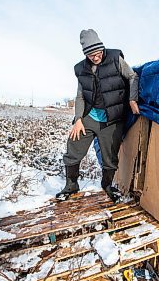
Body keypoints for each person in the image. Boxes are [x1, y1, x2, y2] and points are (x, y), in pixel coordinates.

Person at [56, 29, 140, 201]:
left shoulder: (116, 58)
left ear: (102, 48)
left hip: (112, 118)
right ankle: (71, 186)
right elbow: (80, 95)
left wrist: (132, 99)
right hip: (90, 116)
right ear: (85, 54)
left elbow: (132, 76)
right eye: (91, 55)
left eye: (98, 52)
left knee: (110, 156)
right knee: (74, 148)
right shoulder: (81, 69)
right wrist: (78, 119)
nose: (96, 57)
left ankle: (107, 185)